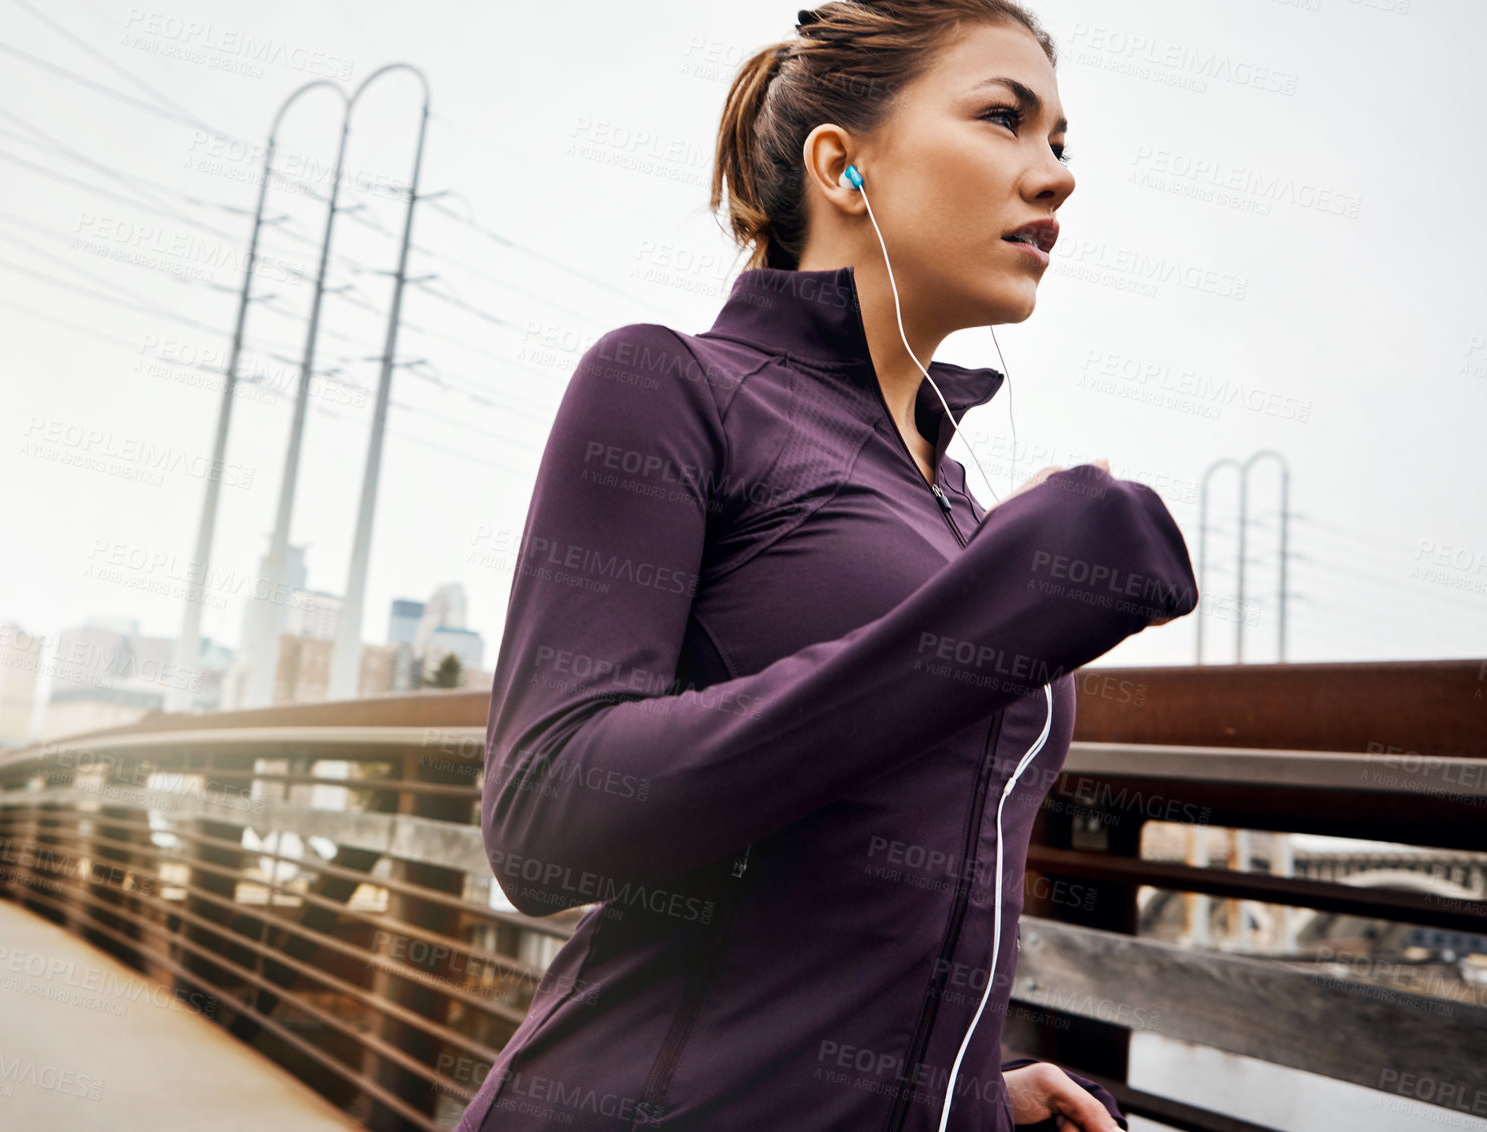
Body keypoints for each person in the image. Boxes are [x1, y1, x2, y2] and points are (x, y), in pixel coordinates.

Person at [457, 2, 1198, 1128]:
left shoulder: (960, 508)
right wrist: (1004, 604)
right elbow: (544, 816)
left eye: (1059, 142)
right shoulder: (670, 387)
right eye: (1003, 119)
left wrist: (955, 1094)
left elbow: (854, 893)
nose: (1054, 176)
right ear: (843, 167)